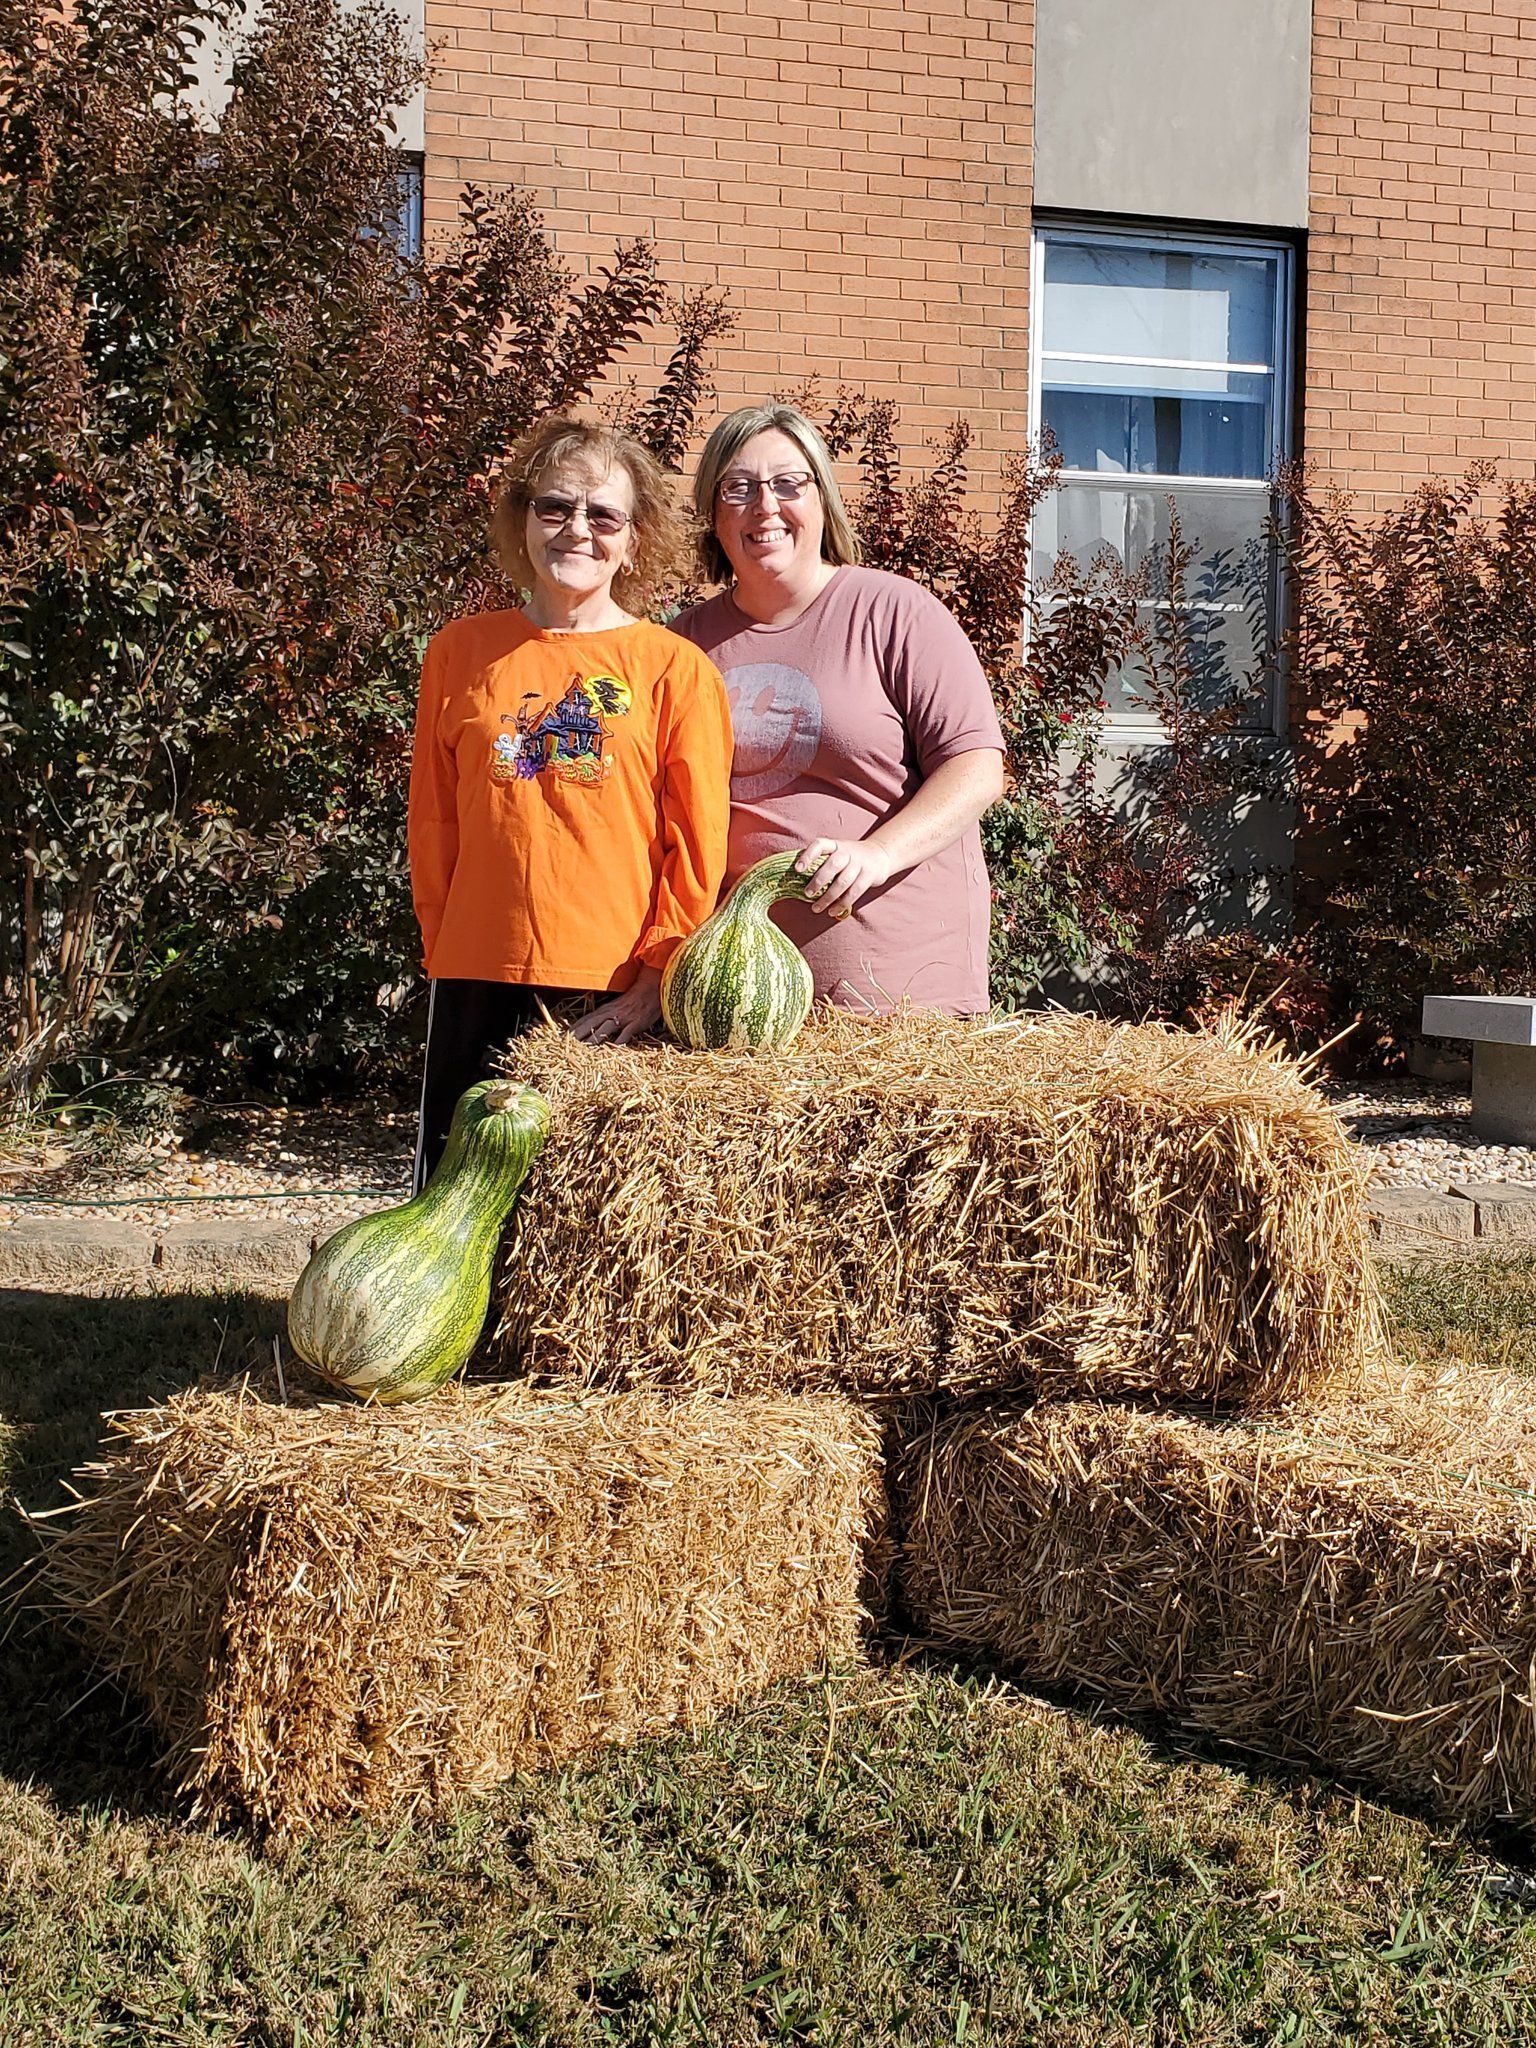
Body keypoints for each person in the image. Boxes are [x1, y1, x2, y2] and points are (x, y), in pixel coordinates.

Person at [408, 416, 731, 1191]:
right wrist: (443, 945)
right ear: (523, 519)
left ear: (633, 537)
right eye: (554, 507)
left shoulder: (673, 670)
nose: (576, 529)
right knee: (454, 1207)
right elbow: (434, 818)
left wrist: (660, 977)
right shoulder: (459, 651)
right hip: (476, 973)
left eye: (603, 514)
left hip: (608, 985)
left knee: (579, 1225)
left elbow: (697, 841)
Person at [672, 403, 1006, 1016]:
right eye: (738, 487)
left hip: (903, 994)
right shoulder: (683, 644)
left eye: (787, 483)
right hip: (734, 1012)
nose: (764, 506)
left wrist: (877, 853)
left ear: (821, 500)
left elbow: (977, 768)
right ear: (713, 515)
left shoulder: (895, 612)